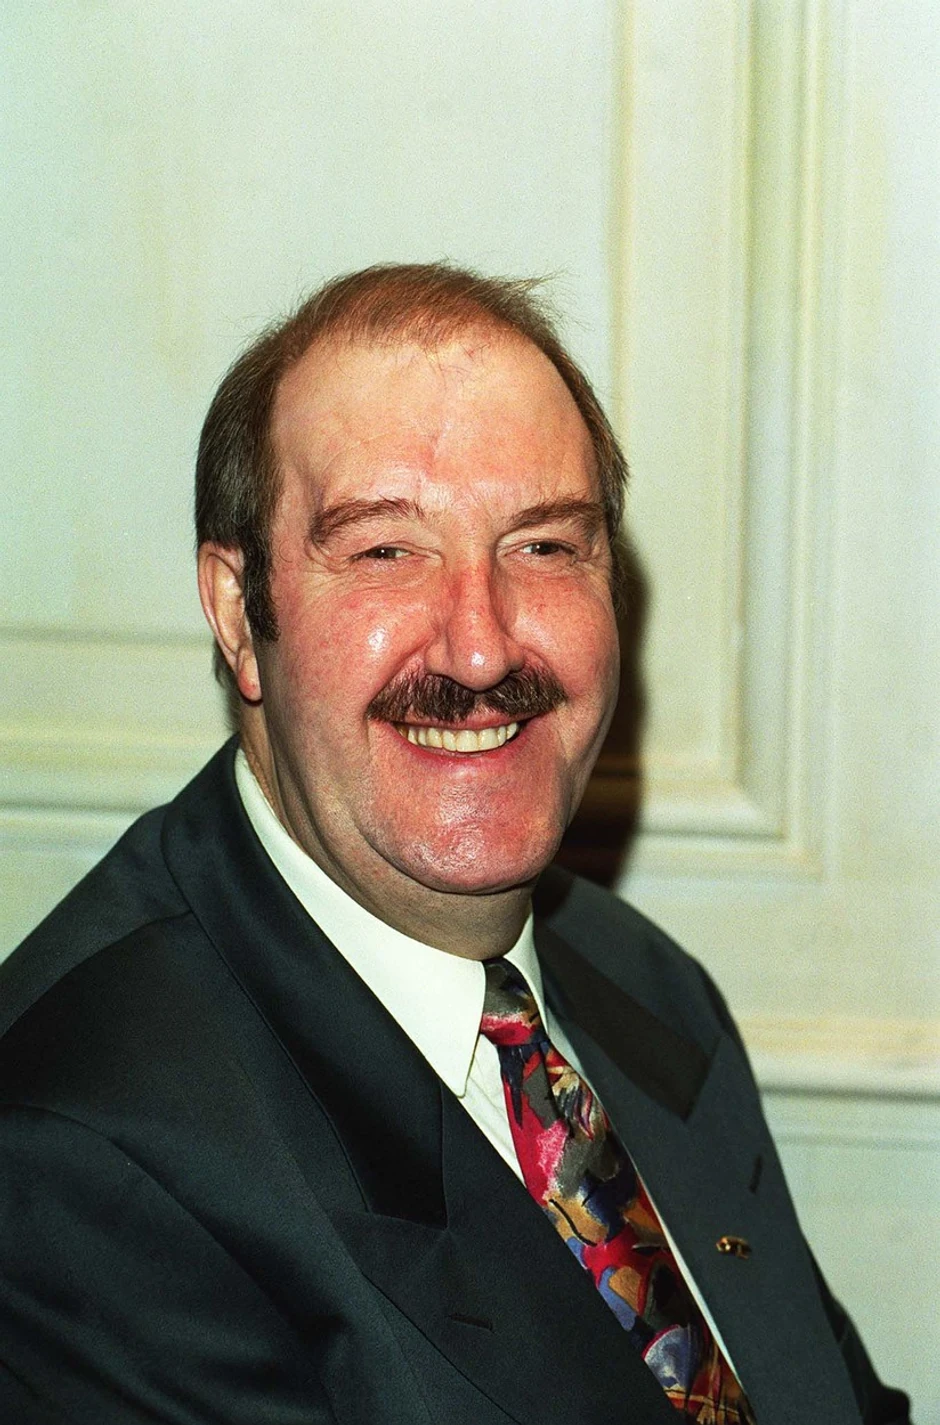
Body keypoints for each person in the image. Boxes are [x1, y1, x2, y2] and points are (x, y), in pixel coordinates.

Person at [0, 264, 909, 1425]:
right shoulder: (81, 1161)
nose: (480, 648)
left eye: (544, 547)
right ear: (237, 611)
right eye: (385, 550)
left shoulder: (641, 985)